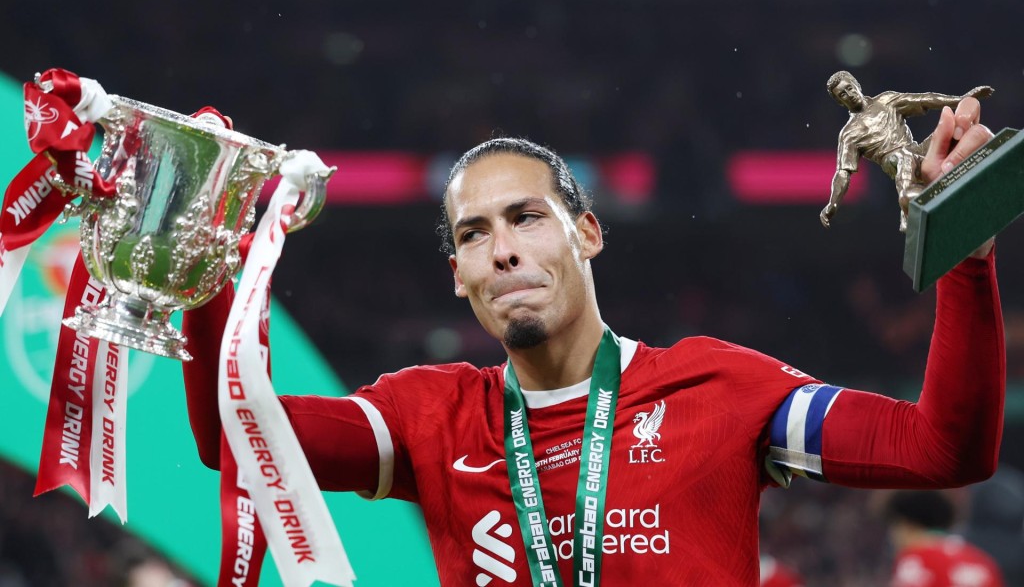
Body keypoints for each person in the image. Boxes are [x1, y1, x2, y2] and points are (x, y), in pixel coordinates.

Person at [181, 96, 1005, 586]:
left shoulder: (720, 389)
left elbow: (942, 449)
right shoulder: (426, 415)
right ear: (459, 276)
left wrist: (965, 259)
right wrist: (200, 257)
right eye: (474, 234)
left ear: (588, 233)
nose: (502, 247)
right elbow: (233, 439)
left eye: (527, 218)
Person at [819, 70, 993, 231]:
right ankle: (907, 210)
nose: (849, 95)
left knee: (951, 128)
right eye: (843, 94)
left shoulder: (886, 100)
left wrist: (961, 99)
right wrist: (833, 203)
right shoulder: (849, 134)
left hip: (916, 150)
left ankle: (984, 164)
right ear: (840, 102)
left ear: (856, 84)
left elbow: (924, 99)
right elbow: (843, 173)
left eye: (849, 88)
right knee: (903, 157)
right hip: (891, 158)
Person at [884, 490, 1004, 587]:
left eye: (894, 527)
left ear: (906, 524)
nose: (892, 538)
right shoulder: (983, 562)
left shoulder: (914, 561)